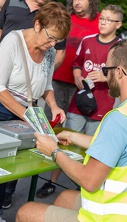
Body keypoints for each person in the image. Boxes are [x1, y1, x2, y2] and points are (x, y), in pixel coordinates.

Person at [0, 2, 71, 222]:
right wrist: (27, 115)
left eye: (58, 40)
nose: (53, 44)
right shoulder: (12, 42)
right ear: (37, 25)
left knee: (8, 166)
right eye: (51, 38)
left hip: (20, 111)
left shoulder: (49, 50)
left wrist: (54, 105)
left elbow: (45, 86)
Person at [16, 39, 127, 222]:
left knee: (25, 214)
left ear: (119, 71)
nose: (105, 74)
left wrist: (54, 151)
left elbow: (90, 181)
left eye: (107, 68)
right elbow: (116, 148)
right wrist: (72, 135)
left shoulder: (118, 119)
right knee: (65, 197)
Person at [36, 0, 100, 198]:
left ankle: (79, 181)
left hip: (79, 87)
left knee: (73, 132)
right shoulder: (64, 17)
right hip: (55, 80)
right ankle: (46, 178)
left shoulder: (100, 21)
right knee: (50, 126)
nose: (76, 2)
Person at [0, 0, 66, 88]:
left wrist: (40, 78)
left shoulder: (55, 11)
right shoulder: (11, 1)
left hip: (26, 85)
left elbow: (60, 52)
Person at [66, 4, 123, 135]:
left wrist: (105, 77)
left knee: (91, 144)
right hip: (78, 102)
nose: (103, 23)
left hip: (102, 105)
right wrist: (77, 76)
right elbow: (77, 64)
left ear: (118, 25)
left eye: (108, 20)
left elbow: (123, 76)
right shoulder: (87, 40)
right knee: (68, 139)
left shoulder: (120, 48)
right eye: (101, 18)